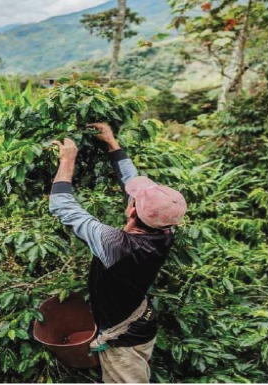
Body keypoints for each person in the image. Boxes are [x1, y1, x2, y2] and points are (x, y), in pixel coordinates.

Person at [49, 123, 187, 383]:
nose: (131, 199)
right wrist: (112, 143)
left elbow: (62, 206)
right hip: (140, 320)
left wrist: (68, 160)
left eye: (133, 201)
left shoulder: (117, 245)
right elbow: (131, 183)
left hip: (125, 343)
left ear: (133, 211)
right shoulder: (164, 231)